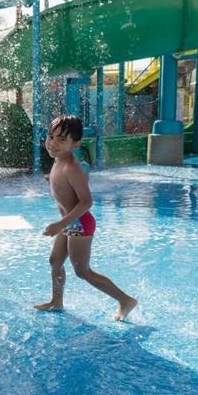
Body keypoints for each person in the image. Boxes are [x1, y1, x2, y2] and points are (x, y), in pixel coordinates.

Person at [34, 114, 137, 320]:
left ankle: (125, 300)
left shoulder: (71, 167)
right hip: (69, 223)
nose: (53, 143)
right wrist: (53, 181)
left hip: (79, 224)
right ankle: (56, 301)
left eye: (61, 139)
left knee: (82, 271)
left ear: (75, 143)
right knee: (55, 261)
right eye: (51, 136)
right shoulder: (59, 160)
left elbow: (86, 201)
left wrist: (60, 224)